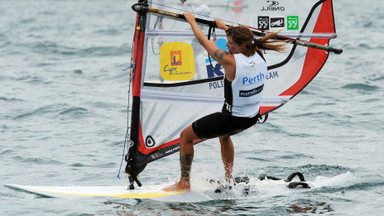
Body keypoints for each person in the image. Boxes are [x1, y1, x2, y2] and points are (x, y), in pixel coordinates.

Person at [163, 13, 286, 192]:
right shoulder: (259, 54)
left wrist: (191, 21)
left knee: (185, 137)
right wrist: (225, 28)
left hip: (231, 119)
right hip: (252, 118)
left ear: (241, 45)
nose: (226, 46)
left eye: (230, 43)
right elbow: (245, 39)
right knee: (224, 135)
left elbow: (203, 41)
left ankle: (184, 183)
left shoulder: (230, 62)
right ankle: (228, 180)